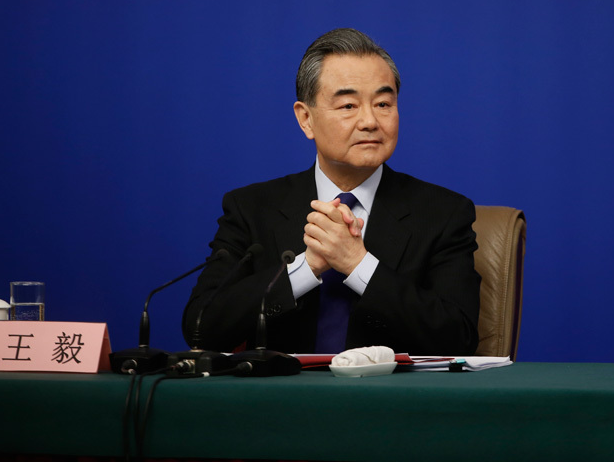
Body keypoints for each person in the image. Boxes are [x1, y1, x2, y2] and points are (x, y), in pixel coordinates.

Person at [182, 28, 480, 355]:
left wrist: (357, 264)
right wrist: (306, 267)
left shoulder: (443, 213)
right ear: (306, 119)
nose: (370, 121)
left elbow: (458, 337)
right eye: (348, 105)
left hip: (389, 388)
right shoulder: (252, 208)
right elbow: (201, 328)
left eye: (383, 103)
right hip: (283, 388)